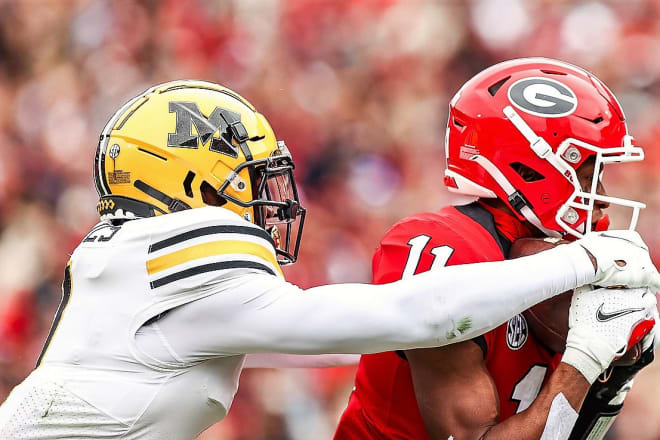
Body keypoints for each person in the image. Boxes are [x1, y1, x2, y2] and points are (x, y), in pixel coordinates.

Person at [0, 79, 657, 440]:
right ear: (195, 183)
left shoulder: (129, 265)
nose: (269, 200)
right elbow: (418, 315)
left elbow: (353, 341)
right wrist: (588, 260)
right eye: (250, 179)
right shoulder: (166, 259)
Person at [333, 58, 659, 440]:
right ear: (532, 169)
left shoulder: (563, 261)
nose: (601, 199)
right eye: (588, 177)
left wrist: (614, 380)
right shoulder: (445, 249)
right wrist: (584, 360)